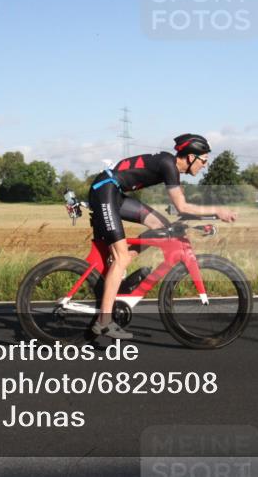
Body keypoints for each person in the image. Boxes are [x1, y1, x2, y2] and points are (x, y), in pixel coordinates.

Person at [88, 133, 237, 339]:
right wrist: (218, 211)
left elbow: (181, 212)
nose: (205, 165)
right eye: (203, 160)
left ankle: (128, 256)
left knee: (163, 227)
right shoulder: (169, 164)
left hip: (115, 192)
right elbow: (182, 206)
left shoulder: (170, 167)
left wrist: (204, 221)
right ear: (190, 156)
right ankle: (104, 322)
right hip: (104, 190)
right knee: (120, 257)